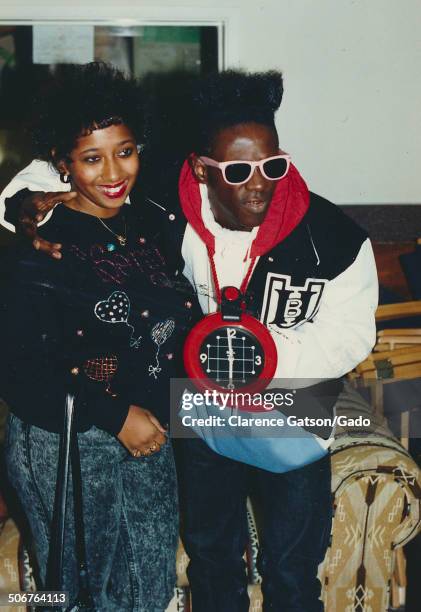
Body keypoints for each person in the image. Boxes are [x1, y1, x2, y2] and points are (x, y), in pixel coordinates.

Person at [0, 70, 378, 611]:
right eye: (240, 169)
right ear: (202, 169)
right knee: (210, 557)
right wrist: (20, 204)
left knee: (295, 569)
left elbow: (355, 335)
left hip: (294, 401)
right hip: (188, 404)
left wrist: (258, 356)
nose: (260, 183)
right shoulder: (166, 206)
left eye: (273, 165)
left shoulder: (336, 238)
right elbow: (72, 164)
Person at [0, 62, 197, 611]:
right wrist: (116, 419)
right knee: (82, 597)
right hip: (67, 437)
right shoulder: (40, 247)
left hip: (148, 432)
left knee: (149, 590)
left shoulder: (154, 223)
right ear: (61, 165)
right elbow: (19, 373)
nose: (114, 171)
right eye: (91, 158)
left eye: (125, 151)